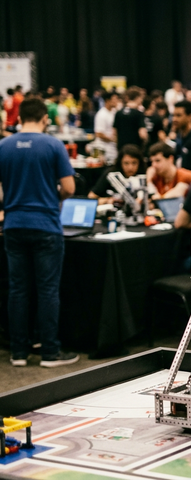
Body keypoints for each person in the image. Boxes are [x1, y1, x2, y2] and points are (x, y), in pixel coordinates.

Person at [0, 97, 79, 368]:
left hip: (13, 224)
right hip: (45, 225)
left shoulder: (3, 146)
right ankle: (49, 352)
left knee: (18, 290)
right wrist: (49, 194)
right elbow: (69, 188)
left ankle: (19, 353)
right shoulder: (53, 145)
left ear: (19, 117)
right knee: (47, 290)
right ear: (45, 118)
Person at [113, 87, 147, 152]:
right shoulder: (139, 114)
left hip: (121, 147)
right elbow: (142, 134)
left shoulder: (118, 113)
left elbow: (114, 133)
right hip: (135, 148)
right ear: (138, 98)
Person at [91, 91, 119, 164]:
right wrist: (112, 139)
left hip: (114, 149)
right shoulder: (101, 114)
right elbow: (99, 133)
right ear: (108, 101)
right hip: (105, 150)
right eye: (114, 99)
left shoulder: (115, 112)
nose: (116, 101)